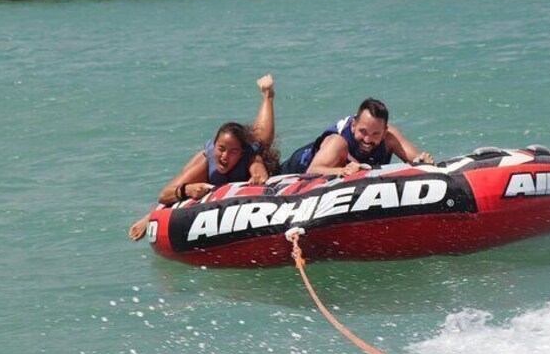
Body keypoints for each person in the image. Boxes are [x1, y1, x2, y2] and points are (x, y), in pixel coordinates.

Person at [128, 74, 278, 241]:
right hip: (207, 172)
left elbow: (259, 170)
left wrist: (258, 177)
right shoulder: (210, 159)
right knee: (184, 179)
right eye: (221, 149)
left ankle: (267, 94)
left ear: (241, 153)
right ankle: (150, 215)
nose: (224, 156)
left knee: (262, 139)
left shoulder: (249, 155)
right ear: (215, 145)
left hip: (251, 150)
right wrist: (188, 190)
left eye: (233, 152)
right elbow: (164, 194)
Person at [279, 97, 433, 176]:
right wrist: (342, 171)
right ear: (353, 126)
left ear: (384, 132)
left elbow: (416, 160)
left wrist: (424, 161)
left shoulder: (389, 138)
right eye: (363, 132)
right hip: (293, 168)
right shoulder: (339, 142)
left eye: (375, 134)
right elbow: (313, 170)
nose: (367, 140)